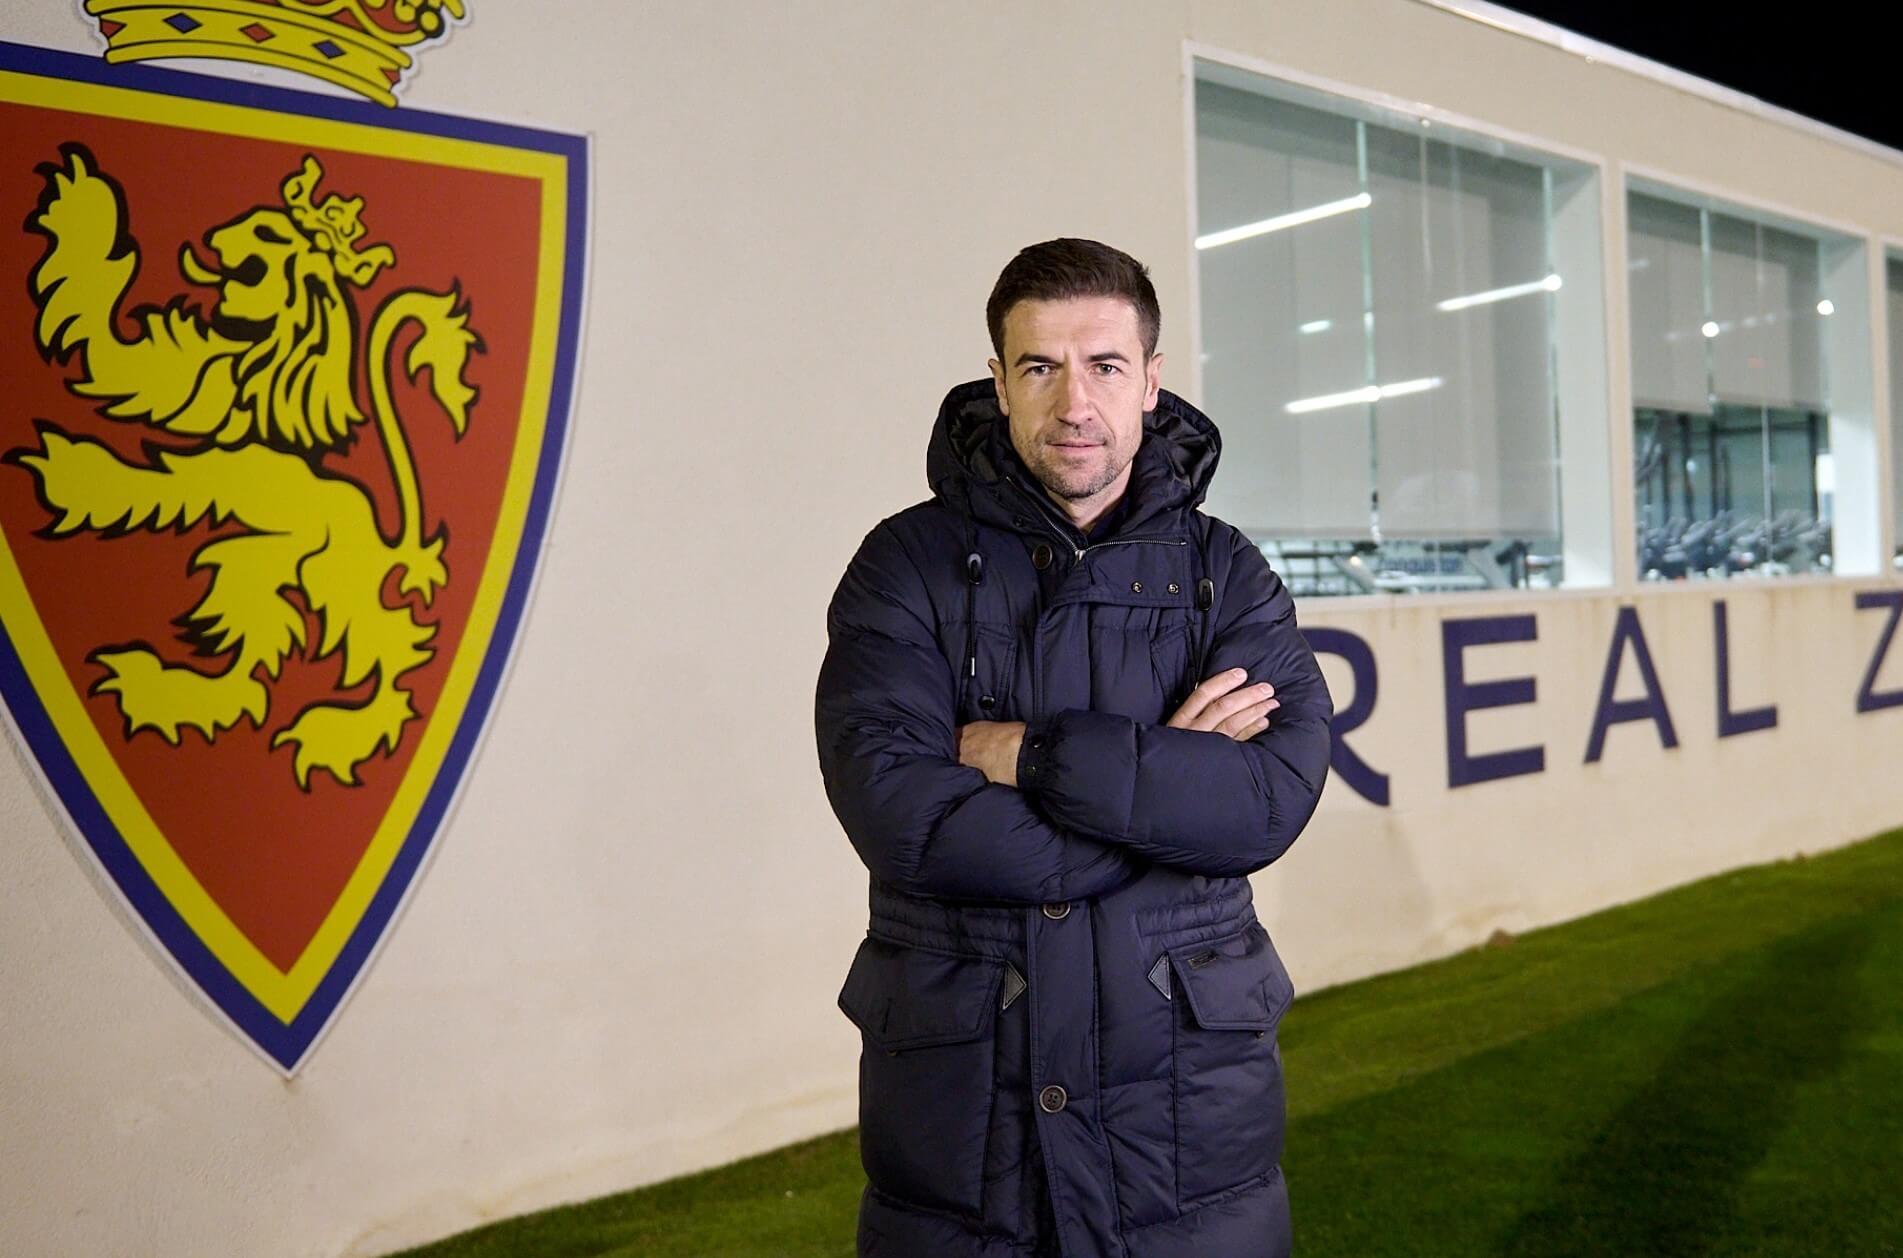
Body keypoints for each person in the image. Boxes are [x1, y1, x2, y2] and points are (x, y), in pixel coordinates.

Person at [815, 238, 1333, 1258]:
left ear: (1150, 382)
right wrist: (1154, 795)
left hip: (1185, 1128)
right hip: (967, 1128)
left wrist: (1034, 758)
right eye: (1039, 367)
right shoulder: (902, 568)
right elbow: (904, 817)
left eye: (1102, 365)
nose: (1072, 404)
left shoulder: (1222, 572)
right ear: (998, 383)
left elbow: (1267, 797)